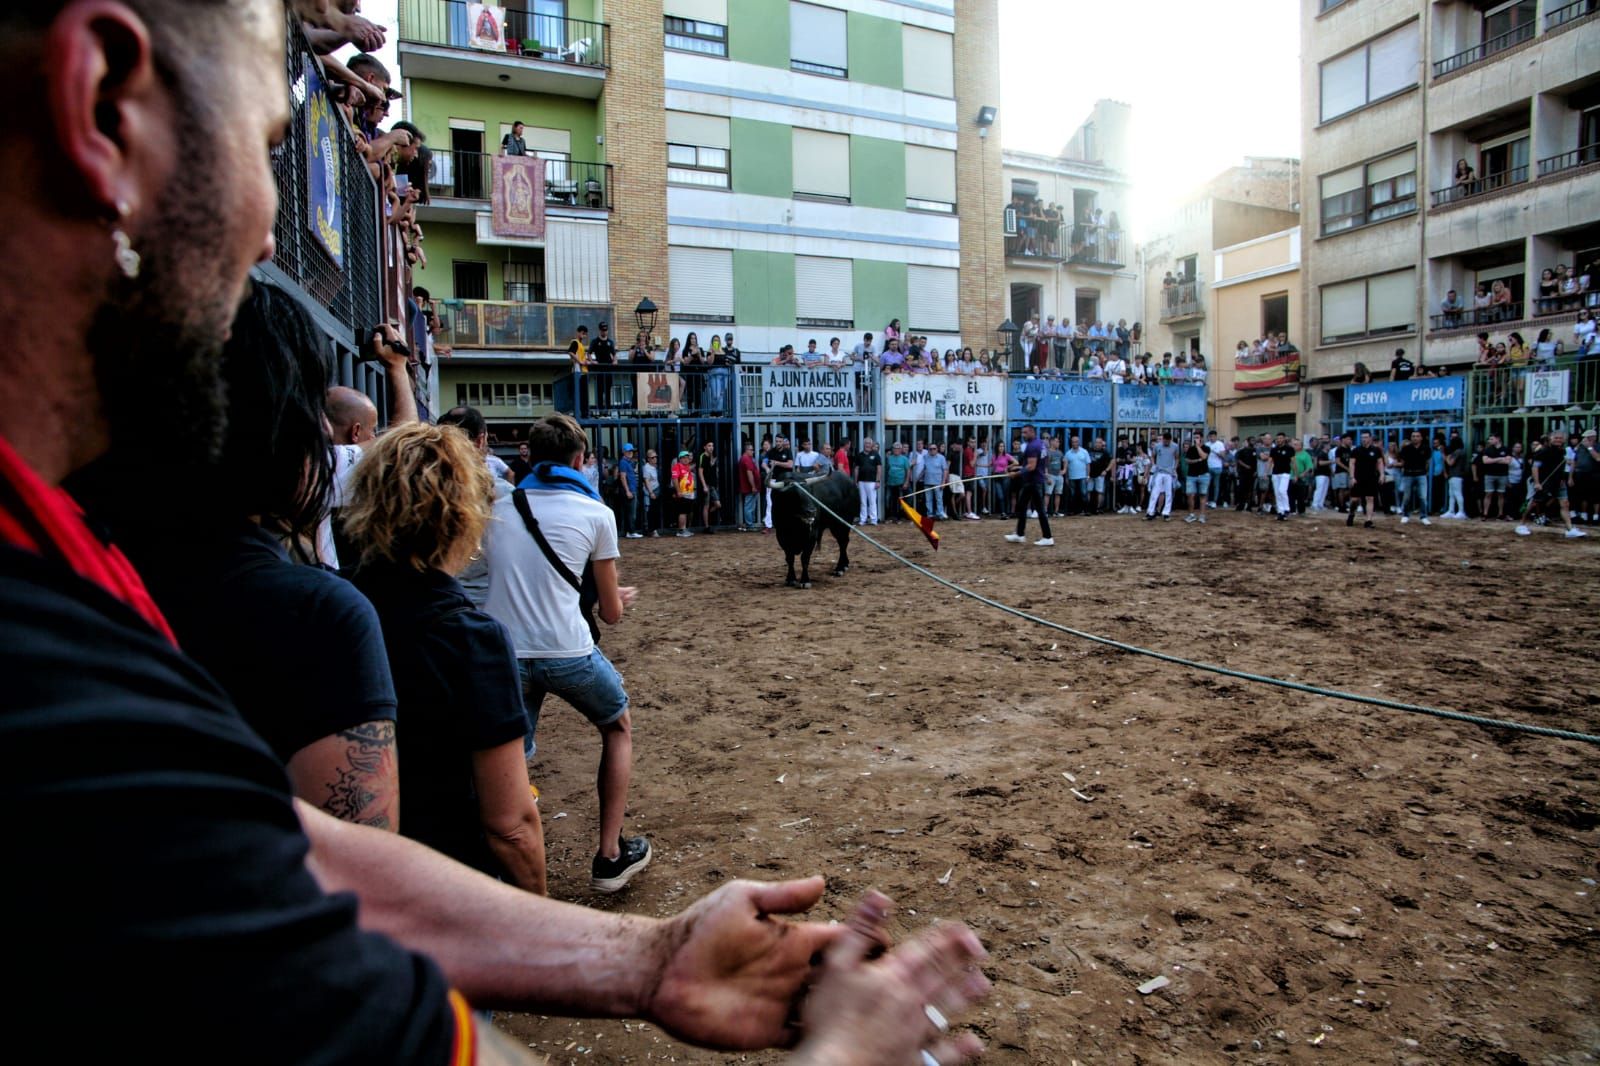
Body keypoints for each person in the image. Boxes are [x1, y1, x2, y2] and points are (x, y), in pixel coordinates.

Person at [0, 4, 994, 1058]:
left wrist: (644, 959)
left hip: (515, 682)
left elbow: (273, 849)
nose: (262, 224)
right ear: (107, 110)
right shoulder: (49, 672)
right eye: (264, 147)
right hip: (559, 664)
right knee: (602, 715)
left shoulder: (68, 558)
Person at [346, 423, 546, 895]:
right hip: (446, 884)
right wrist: (537, 912)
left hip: (349, 883)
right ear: (464, 516)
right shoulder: (469, 639)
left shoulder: (326, 605)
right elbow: (511, 826)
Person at [487, 415, 650, 891]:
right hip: (567, 650)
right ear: (580, 460)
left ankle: (503, 864)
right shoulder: (596, 513)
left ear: (529, 457)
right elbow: (611, 613)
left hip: (506, 652)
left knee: (512, 756)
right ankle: (610, 856)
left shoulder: (496, 504)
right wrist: (621, 596)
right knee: (617, 726)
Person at [1524, 430, 1586, 538]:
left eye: (1560, 438)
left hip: (1558, 482)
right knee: (1534, 503)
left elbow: (1562, 467)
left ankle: (1570, 529)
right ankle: (1521, 524)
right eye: (1556, 438)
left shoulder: (1563, 451)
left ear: (1564, 440)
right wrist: (1537, 483)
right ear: (1550, 439)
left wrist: (1562, 477)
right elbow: (1535, 467)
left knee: (1565, 504)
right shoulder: (1542, 451)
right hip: (1544, 481)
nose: (1558, 440)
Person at [1005, 425, 1054, 545]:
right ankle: (1020, 534)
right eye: (1022, 433)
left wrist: (1016, 474)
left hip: (1033, 482)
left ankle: (1047, 537)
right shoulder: (1040, 444)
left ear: (1032, 432)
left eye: (1025, 433)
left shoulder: (1032, 446)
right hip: (1033, 481)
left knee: (1040, 510)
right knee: (1022, 506)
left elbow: (1031, 466)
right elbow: (1038, 463)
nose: (1023, 435)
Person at [1346, 431, 1386, 529]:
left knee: (1370, 498)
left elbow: (1380, 463)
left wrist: (1382, 474)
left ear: (1370, 438)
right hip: (1358, 477)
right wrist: (1352, 477)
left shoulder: (1376, 450)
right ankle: (1351, 514)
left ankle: (1368, 520)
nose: (1364, 439)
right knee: (1355, 500)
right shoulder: (1356, 450)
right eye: (1362, 437)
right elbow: (1352, 463)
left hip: (1371, 478)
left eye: (1366, 437)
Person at [1397, 429, 1433, 526]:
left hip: (1421, 474)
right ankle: (1405, 515)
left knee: (1423, 497)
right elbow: (1402, 461)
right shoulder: (1406, 449)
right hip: (1408, 474)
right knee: (1406, 497)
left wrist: (1425, 472)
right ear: (1411, 438)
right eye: (1413, 436)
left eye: (1417, 436)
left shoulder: (1426, 448)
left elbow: (1427, 462)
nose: (1415, 438)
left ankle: (1424, 516)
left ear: (1421, 438)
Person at [1144, 431, 1178, 521]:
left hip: (1168, 472)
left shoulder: (1175, 446)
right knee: (1155, 492)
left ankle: (1166, 513)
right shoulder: (1157, 446)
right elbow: (1153, 456)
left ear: (1170, 440)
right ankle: (1150, 512)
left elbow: (1177, 457)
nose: (1166, 442)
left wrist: (1174, 468)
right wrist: (1154, 464)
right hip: (1159, 471)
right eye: (1164, 440)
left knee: (1168, 493)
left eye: (1167, 441)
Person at [1269, 433, 1296, 522]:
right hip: (1275, 473)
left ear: (1284, 439)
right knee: (1277, 493)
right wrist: (1266, 472)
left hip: (1285, 473)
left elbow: (1293, 462)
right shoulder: (1274, 449)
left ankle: (1286, 509)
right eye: (1277, 438)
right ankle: (1280, 511)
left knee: (1282, 491)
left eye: (1281, 438)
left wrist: (1295, 474)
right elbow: (1270, 461)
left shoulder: (1289, 449)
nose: (1279, 440)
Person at [1182, 433, 1209, 523]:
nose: (1195, 439)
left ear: (1201, 438)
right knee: (1190, 495)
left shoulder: (1206, 448)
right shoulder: (1190, 449)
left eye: (1197, 437)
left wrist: (1198, 447)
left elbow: (1204, 456)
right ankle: (1191, 515)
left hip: (1204, 474)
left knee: (1203, 495)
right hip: (1191, 475)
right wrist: (1197, 460)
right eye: (1194, 438)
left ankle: (1202, 515)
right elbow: (1187, 460)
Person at [919, 438, 949, 520]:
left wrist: (943, 482)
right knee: (928, 500)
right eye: (930, 449)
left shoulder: (941, 457)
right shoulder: (925, 457)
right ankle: (930, 515)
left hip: (938, 482)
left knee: (939, 499)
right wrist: (919, 477)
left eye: (934, 448)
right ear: (928, 450)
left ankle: (940, 514)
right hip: (927, 482)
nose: (932, 450)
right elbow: (924, 469)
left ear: (937, 449)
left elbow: (945, 470)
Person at [616, 442, 641, 538]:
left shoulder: (628, 462)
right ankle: (631, 531)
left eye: (631, 451)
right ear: (624, 452)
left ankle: (629, 531)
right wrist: (627, 491)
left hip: (631, 489)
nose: (631, 453)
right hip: (629, 490)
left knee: (630, 512)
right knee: (631, 512)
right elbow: (623, 477)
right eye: (628, 451)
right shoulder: (623, 462)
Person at [671, 449, 697, 537]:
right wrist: (678, 491)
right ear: (680, 459)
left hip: (688, 494)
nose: (686, 459)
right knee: (682, 512)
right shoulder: (677, 466)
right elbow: (674, 479)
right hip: (682, 494)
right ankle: (681, 530)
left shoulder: (687, 467)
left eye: (687, 458)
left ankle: (684, 529)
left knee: (685, 512)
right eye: (684, 458)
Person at [1441, 432, 1468, 519]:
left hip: (1456, 475)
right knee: (1452, 494)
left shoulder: (1458, 452)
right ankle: (1451, 510)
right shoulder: (1460, 451)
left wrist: (1444, 456)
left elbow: (1450, 463)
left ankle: (1461, 511)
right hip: (1454, 475)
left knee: (1457, 493)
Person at [856, 438, 882, 525]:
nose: (867, 445)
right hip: (861, 481)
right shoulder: (859, 455)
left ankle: (873, 519)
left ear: (871, 444)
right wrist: (856, 481)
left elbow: (879, 468)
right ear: (864, 444)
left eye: (869, 443)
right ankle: (863, 519)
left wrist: (878, 481)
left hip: (872, 481)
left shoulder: (876, 454)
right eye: (866, 443)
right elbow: (857, 468)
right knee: (863, 501)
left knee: (872, 501)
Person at [1063, 435, 1090, 517]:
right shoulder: (1068, 453)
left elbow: (1088, 464)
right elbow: (1066, 467)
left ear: (1079, 442)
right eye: (1073, 441)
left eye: (1076, 441)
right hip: (1072, 477)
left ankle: (1086, 511)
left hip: (1082, 476)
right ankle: (1072, 511)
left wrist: (1088, 475)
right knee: (1072, 494)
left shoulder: (1084, 452)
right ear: (1071, 443)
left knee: (1084, 493)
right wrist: (1067, 477)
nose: (1074, 443)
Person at [738, 441, 761, 531]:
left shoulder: (747, 458)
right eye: (751, 450)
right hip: (749, 488)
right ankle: (750, 525)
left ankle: (751, 524)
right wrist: (753, 486)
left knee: (751, 506)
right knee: (749, 506)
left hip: (751, 487)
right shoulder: (746, 459)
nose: (753, 452)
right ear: (747, 450)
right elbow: (749, 473)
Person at [698, 439, 720, 533]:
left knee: (718, 505)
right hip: (706, 484)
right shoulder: (702, 456)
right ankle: (707, 526)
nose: (711, 447)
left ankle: (705, 516)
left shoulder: (712, 456)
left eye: (712, 446)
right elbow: (700, 472)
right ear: (705, 447)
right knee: (706, 505)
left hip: (712, 484)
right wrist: (704, 485)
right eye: (709, 445)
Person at [885, 441, 910, 520]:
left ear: (900, 449)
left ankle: (901, 515)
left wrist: (906, 482)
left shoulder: (904, 459)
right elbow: (886, 469)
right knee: (892, 499)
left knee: (901, 500)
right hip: (891, 482)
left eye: (898, 448)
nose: (896, 450)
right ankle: (894, 515)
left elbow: (908, 471)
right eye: (895, 448)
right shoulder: (889, 458)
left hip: (901, 483)